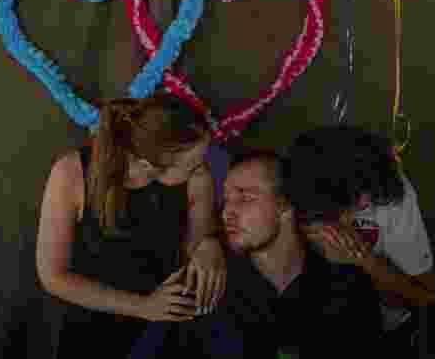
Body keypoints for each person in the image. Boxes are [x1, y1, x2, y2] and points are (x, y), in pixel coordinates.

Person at [36, 95, 228, 359]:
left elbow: (197, 245)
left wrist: (210, 243)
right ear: (151, 166)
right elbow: (53, 277)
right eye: (192, 163)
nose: (202, 167)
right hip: (92, 334)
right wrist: (143, 306)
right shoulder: (71, 172)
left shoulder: (198, 178)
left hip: (165, 334)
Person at [177, 148, 383, 359]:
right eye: (227, 200)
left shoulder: (348, 289)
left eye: (245, 198)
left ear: (285, 204)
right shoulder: (208, 288)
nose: (227, 212)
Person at [286, 126, 435, 351]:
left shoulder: (389, 193)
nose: (363, 206)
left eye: (366, 203)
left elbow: (426, 295)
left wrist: (365, 260)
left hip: (383, 330)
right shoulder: (294, 193)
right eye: (357, 203)